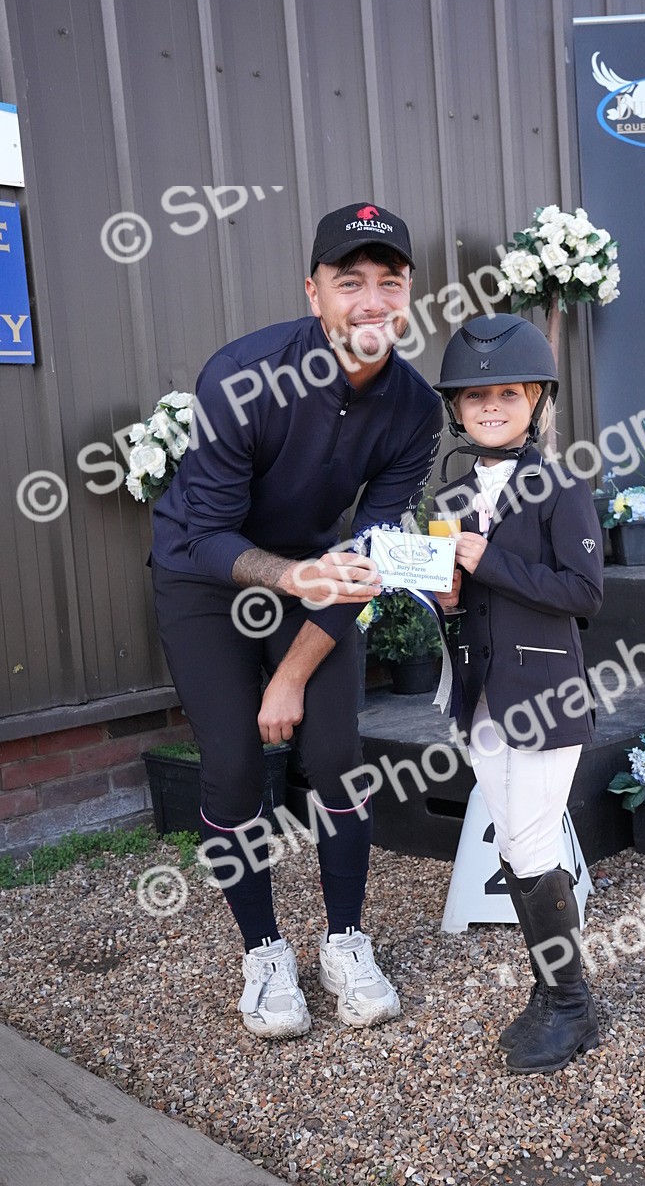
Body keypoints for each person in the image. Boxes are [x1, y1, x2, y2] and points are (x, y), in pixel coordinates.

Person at [149, 202, 442, 1038]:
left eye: (390, 282)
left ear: (409, 292)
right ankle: (265, 952)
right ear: (314, 293)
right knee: (236, 764)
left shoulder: (416, 409)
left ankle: (346, 941)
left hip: (323, 578)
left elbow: (369, 556)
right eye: (351, 282)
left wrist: (291, 671)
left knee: (336, 756)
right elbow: (204, 533)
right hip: (206, 574)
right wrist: (294, 575)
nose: (372, 302)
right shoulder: (243, 376)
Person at [433, 314, 604, 1074]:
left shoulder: (562, 485)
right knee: (512, 840)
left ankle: (572, 1006)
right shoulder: (455, 490)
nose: (491, 406)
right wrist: (446, 593)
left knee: (531, 842)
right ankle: (550, 990)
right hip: (480, 693)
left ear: (535, 399)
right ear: (458, 410)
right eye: (475, 397)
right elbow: (468, 594)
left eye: (507, 392)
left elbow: (583, 592)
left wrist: (488, 559)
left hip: (545, 694)